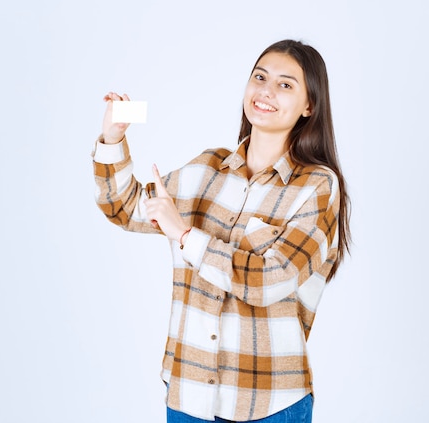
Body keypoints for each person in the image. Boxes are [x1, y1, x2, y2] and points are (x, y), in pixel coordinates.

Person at [92, 39, 351, 423]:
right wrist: (113, 137)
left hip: (268, 402)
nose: (265, 91)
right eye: (259, 77)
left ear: (309, 106)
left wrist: (185, 235)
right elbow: (125, 207)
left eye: (285, 85)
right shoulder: (206, 169)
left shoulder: (316, 185)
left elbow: (271, 279)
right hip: (188, 393)